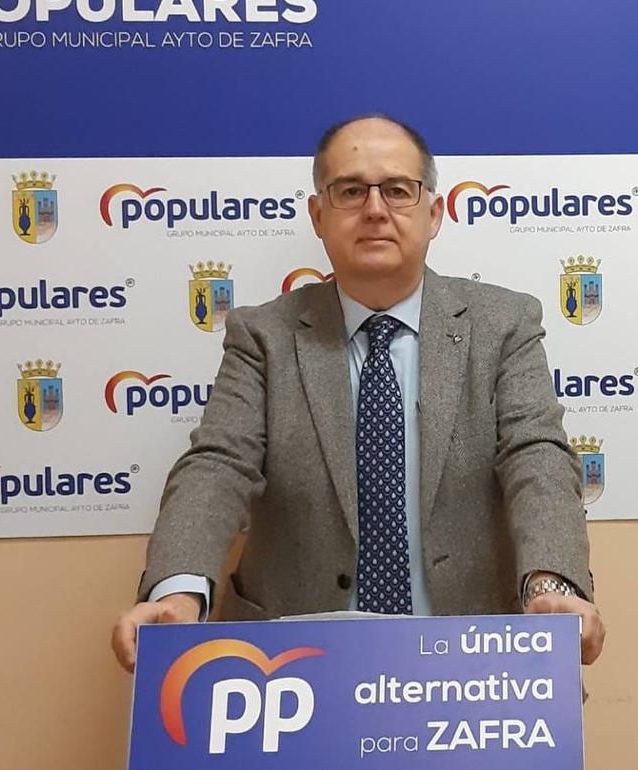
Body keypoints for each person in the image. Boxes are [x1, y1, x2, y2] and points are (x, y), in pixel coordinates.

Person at [111, 115, 604, 673]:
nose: (374, 209)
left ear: (434, 213)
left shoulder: (503, 324)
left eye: (397, 189)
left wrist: (551, 583)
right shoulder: (262, 336)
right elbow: (218, 464)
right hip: (295, 665)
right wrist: (177, 592)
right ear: (318, 216)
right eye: (350, 190)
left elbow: (536, 457)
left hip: (469, 659)